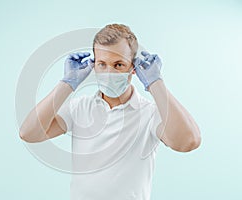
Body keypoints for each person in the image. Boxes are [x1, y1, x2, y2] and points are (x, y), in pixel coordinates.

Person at [19, 24, 202, 200]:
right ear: (94, 65)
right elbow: (29, 133)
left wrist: (156, 83)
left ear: (133, 68)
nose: (109, 72)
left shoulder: (150, 113)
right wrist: (67, 84)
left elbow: (189, 141)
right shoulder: (79, 108)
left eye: (118, 64)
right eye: (102, 64)